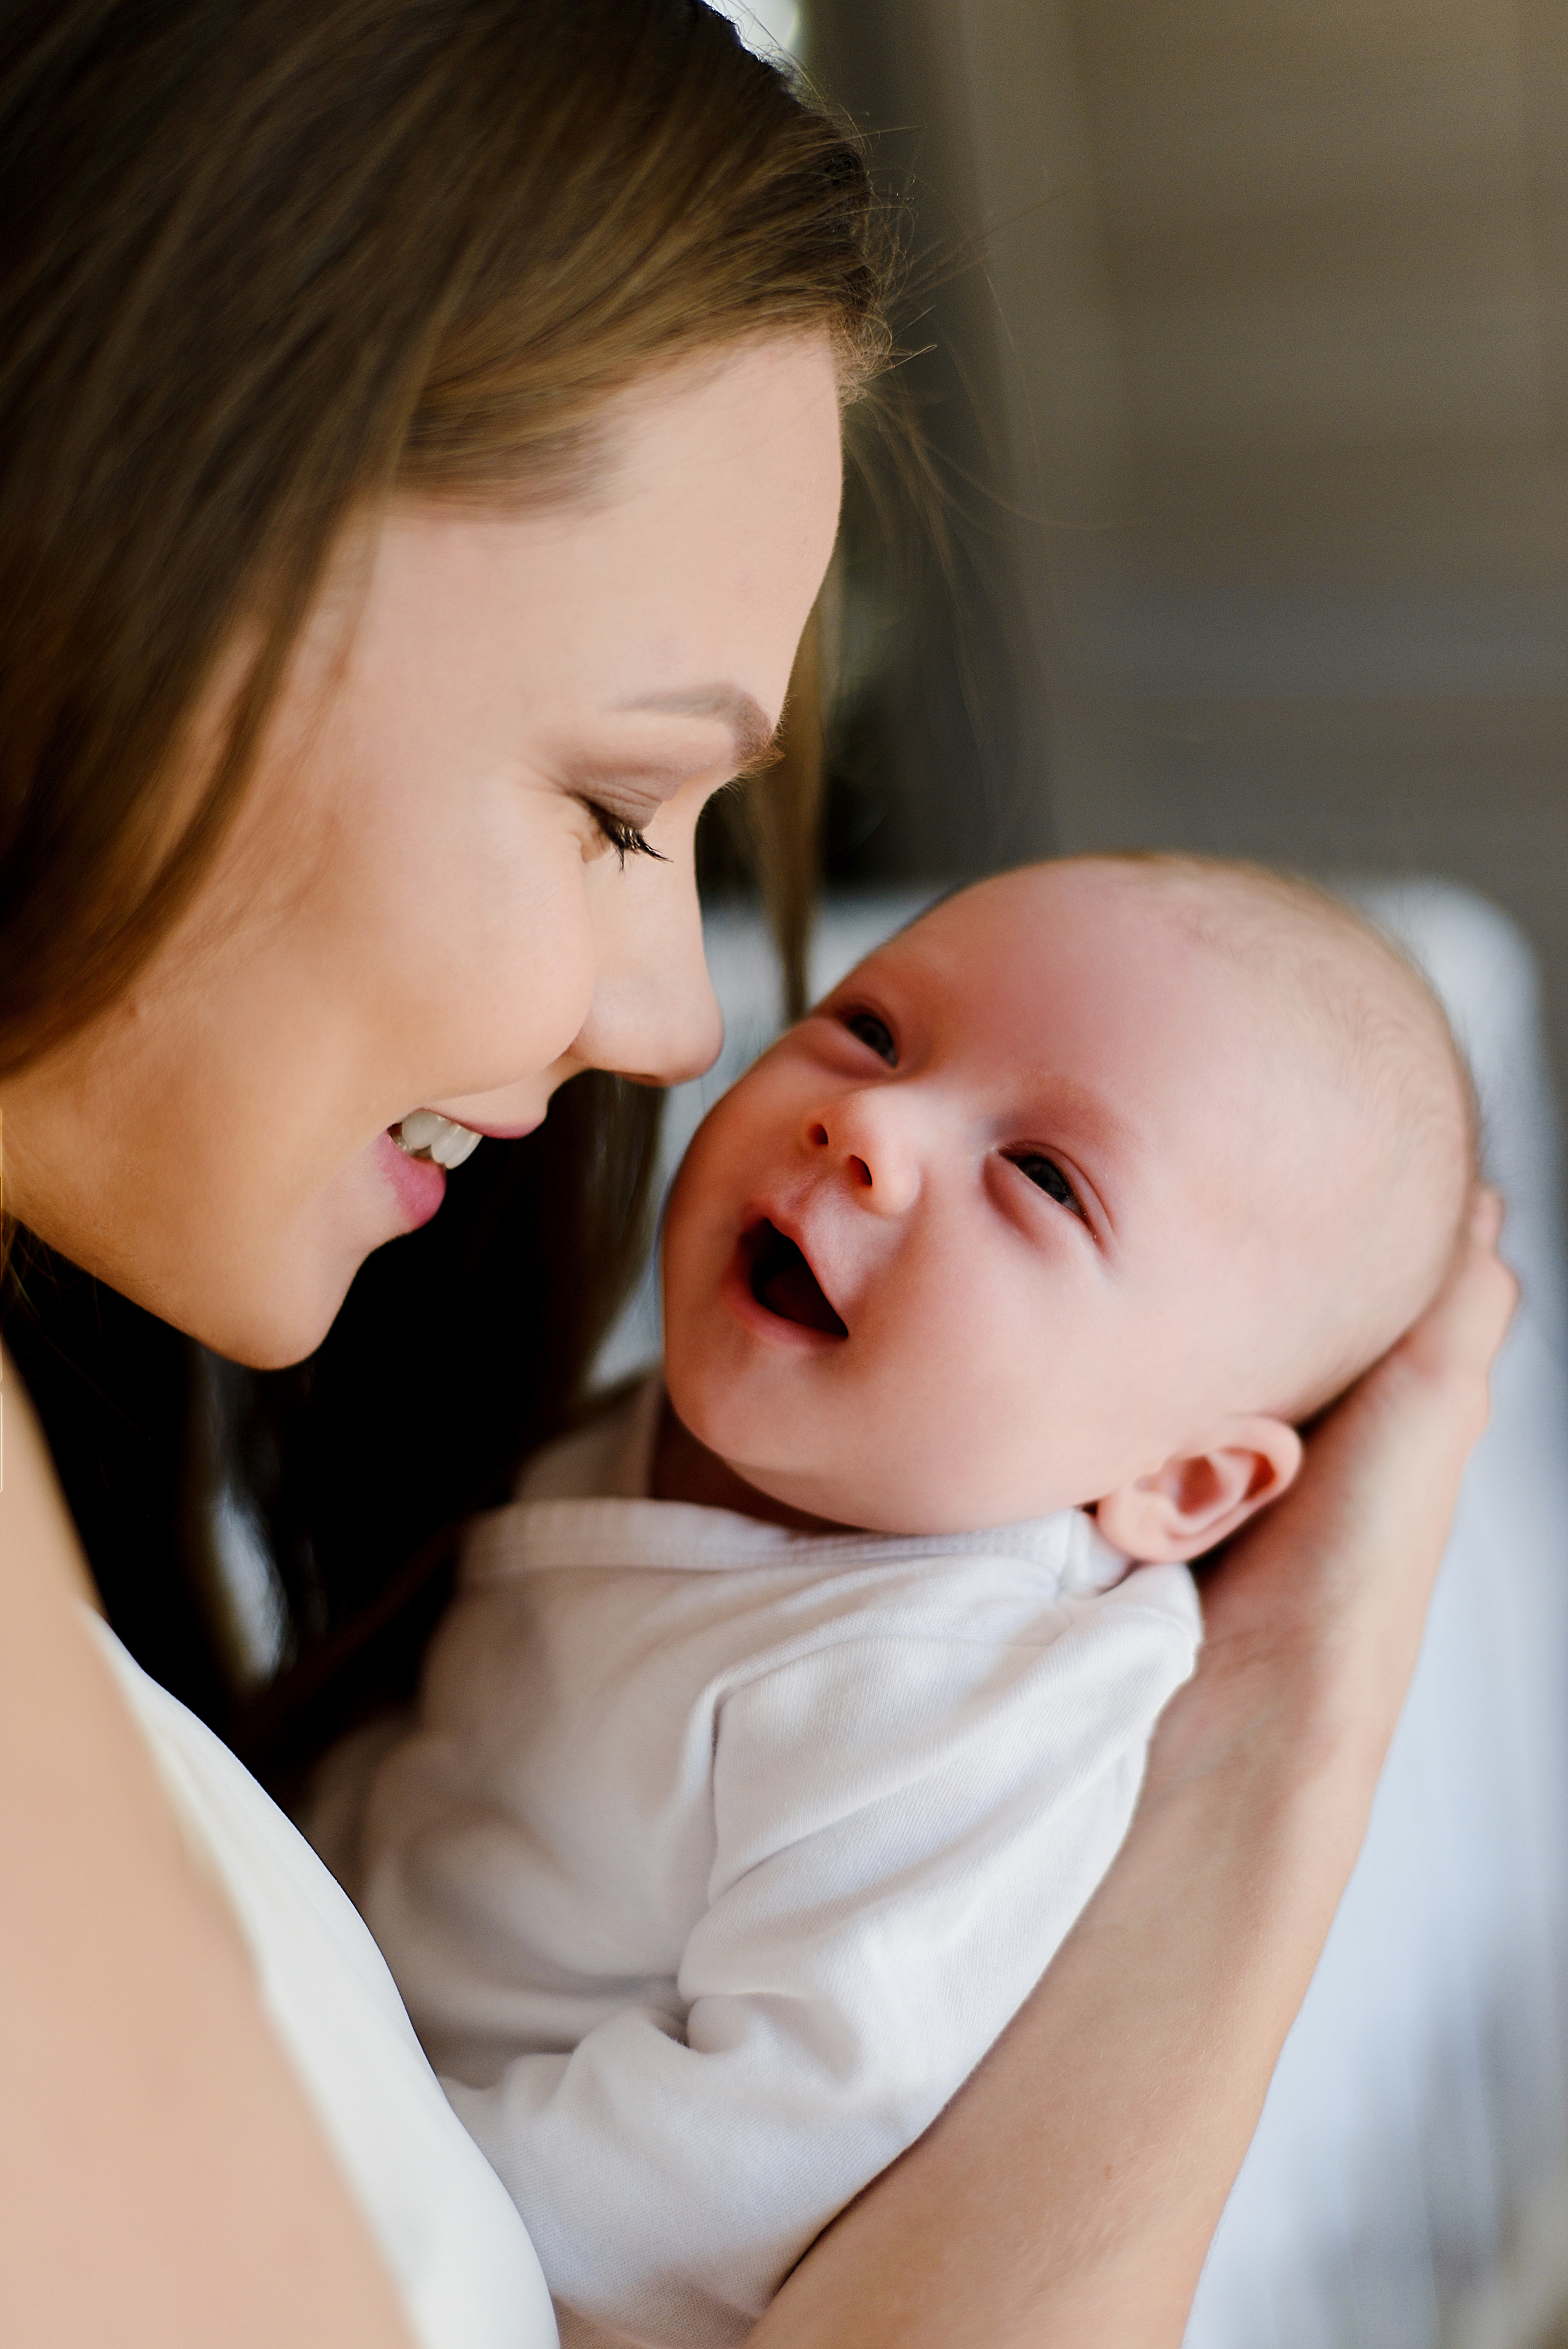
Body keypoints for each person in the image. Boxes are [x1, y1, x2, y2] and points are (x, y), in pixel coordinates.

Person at [0, 4, 1515, 2347]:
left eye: (1045, 1185)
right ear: (134, 529)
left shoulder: (965, 1678)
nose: (686, 1027)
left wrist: (1283, 1724)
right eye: (618, 808)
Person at [319, 855, 1475, 2348]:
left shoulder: (968, 1689)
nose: (863, 1123)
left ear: (1183, 1487)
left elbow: (761, 2138)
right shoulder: (679, 1431)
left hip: (466, 2255)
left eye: (1043, 1178)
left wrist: (358, 2183)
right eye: (868, 1030)